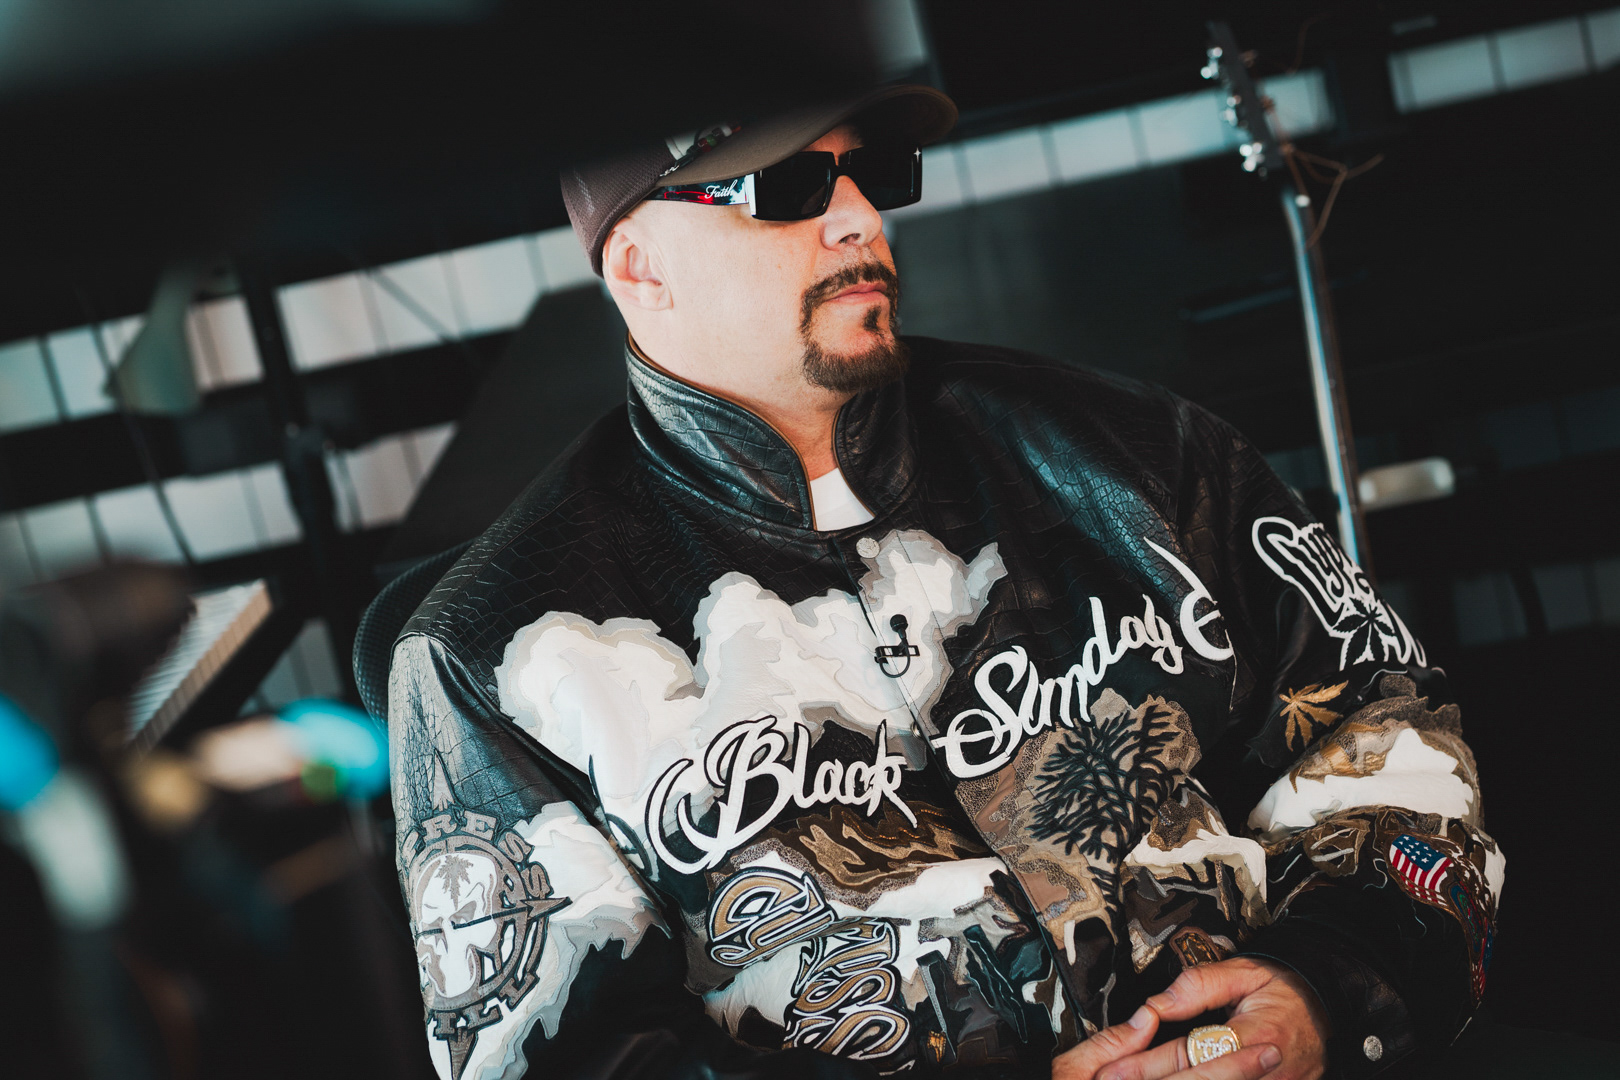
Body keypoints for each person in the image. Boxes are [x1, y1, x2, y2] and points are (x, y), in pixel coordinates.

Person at [385, 84, 1501, 1080]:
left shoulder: (1143, 455)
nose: (860, 218)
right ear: (639, 265)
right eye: (789, 188)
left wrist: (1323, 993)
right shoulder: (486, 656)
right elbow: (565, 1058)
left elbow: (1383, 719)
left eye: (870, 171)